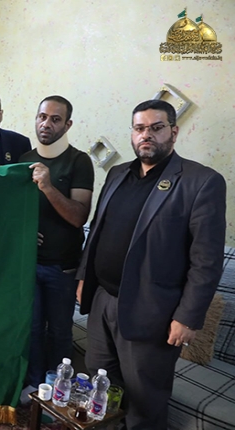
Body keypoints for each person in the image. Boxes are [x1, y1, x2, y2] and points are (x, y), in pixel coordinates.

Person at [76, 99, 226, 429]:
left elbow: (206, 261)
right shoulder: (117, 174)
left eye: (156, 128)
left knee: (144, 402)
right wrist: (85, 277)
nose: (147, 135)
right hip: (102, 301)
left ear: (173, 132)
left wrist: (188, 317)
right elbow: (98, 230)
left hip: (152, 312)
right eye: (140, 128)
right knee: (102, 388)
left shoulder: (201, 182)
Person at [18, 95, 94, 403]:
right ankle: (35, 384)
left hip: (62, 267)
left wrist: (48, 187)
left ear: (67, 124)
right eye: (42, 116)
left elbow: (79, 216)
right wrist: (23, 232)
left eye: (55, 119)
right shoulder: (24, 159)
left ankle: (58, 390)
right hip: (28, 263)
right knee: (32, 328)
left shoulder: (79, 161)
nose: (46, 124)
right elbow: (14, 210)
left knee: (60, 331)